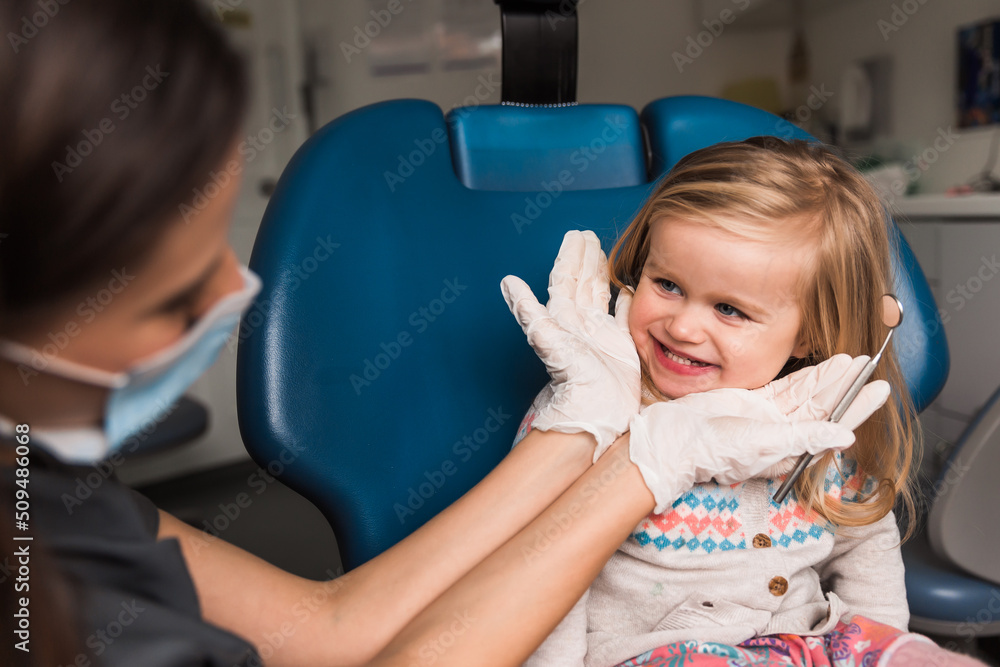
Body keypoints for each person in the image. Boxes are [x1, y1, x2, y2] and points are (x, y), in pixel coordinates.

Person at [0, 1, 885, 665]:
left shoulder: (49, 493)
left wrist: (591, 424)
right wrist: (643, 460)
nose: (237, 294)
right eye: (178, 289)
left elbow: (333, 633)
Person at [513, 138, 984, 667]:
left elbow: (864, 545)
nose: (684, 326)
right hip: (661, 655)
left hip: (813, 642)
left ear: (808, 337)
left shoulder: (819, 416)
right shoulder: (590, 404)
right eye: (667, 283)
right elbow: (544, 571)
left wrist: (885, 645)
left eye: (730, 310)